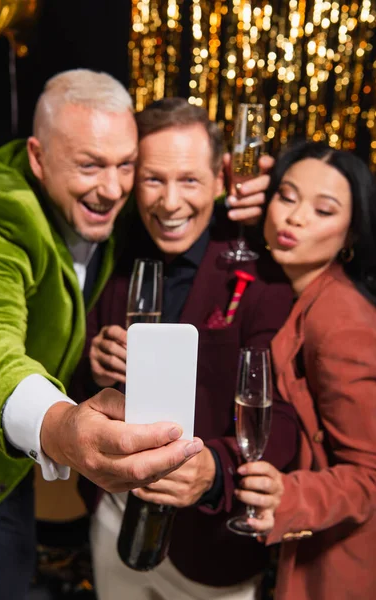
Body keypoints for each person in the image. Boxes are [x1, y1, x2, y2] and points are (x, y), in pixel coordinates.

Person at [0, 70, 206, 600]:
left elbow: (175, 200)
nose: (112, 188)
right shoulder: (1, 212)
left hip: (15, 478)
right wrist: (59, 428)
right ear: (37, 158)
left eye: (127, 165)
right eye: (90, 165)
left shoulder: (110, 208)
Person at [73, 98, 300, 600]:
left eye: (190, 181)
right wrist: (90, 365)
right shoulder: (119, 257)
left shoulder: (262, 273)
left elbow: (285, 420)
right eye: (154, 180)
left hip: (210, 547)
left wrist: (215, 471)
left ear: (222, 180)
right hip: (114, 518)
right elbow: (69, 378)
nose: (170, 202)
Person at [233, 140, 376, 599]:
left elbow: (370, 473)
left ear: (351, 235)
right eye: (287, 197)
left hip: (341, 566)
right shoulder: (292, 290)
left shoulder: (340, 324)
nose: (294, 218)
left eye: (324, 210)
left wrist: (289, 496)